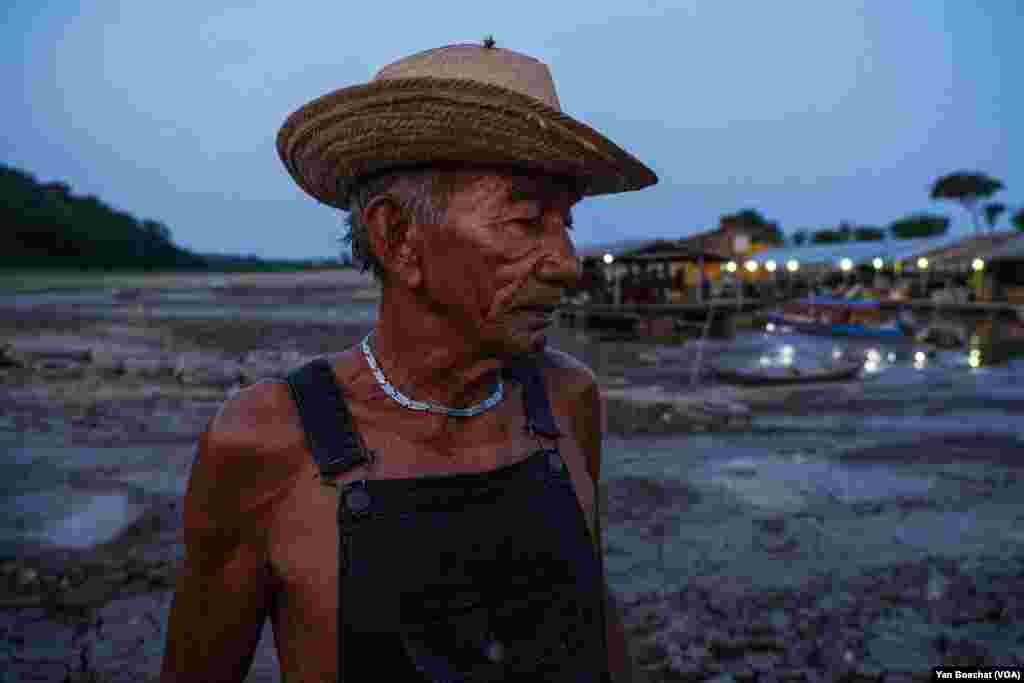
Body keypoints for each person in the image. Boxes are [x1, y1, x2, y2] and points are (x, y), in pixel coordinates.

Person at [161, 41, 656, 682]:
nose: (567, 265)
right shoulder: (266, 439)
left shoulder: (569, 399)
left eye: (566, 224)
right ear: (397, 237)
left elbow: (594, 621)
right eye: (526, 220)